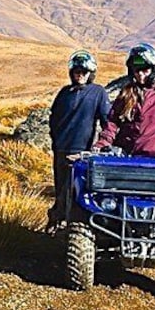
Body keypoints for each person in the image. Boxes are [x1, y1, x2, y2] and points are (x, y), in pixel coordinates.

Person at [93, 43, 155, 159]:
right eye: (136, 70)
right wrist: (103, 143)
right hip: (124, 156)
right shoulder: (127, 92)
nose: (140, 74)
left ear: (153, 69)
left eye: (145, 70)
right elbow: (112, 122)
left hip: (152, 156)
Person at [47, 50, 110, 229]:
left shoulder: (98, 92)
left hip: (84, 151)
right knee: (61, 189)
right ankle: (57, 222)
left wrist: (103, 144)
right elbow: (54, 118)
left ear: (90, 73)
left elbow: (107, 120)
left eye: (84, 72)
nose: (80, 75)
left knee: (78, 191)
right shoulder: (64, 93)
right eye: (77, 72)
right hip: (61, 150)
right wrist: (56, 141)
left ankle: (76, 227)